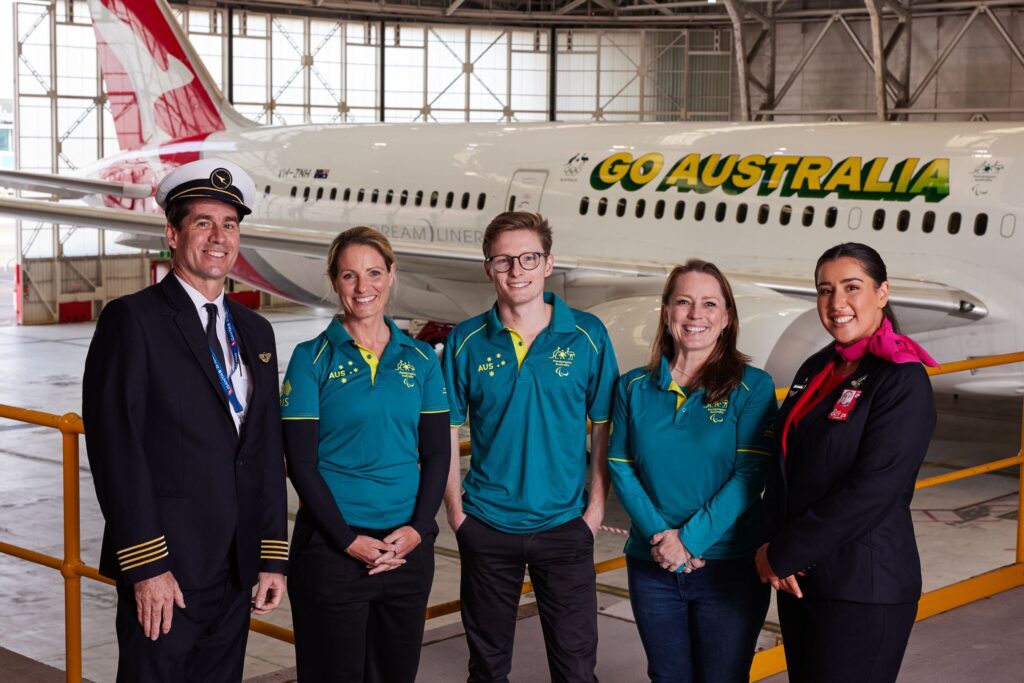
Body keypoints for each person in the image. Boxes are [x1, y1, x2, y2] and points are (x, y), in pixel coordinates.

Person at [82, 158, 289, 682]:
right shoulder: (134, 320)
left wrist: (270, 556)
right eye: (203, 223)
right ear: (172, 234)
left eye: (230, 225)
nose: (219, 237)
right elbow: (116, 451)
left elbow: (263, 451)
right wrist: (147, 565)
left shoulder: (255, 332)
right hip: (168, 567)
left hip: (236, 566)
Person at [442, 212, 619, 682]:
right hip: (486, 525)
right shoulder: (465, 341)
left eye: (528, 258)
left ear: (548, 263)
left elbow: (603, 425)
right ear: (488, 268)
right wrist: (457, 515)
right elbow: (446, 430)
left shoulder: (588, 336)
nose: (516, 270)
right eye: (503, 260)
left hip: (564, 526)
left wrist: (595, 510)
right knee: (487, 669)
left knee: (576, 668)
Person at [757, 242, 938, 683]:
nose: (837, 303)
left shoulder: (902, 378)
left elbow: (874, 488)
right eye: (825, 290)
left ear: (882, 293)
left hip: (863, 588)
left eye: (852, 287)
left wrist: (783, 553)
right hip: (802, 583)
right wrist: (767, 545)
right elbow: (784, 467)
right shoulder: (818, 366)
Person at [280, 227, 450, 682]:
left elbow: (436, 454)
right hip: (334, 552)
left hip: (406, 552)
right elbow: (301, 463)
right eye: (350, 275)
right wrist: (346, 540)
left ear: (391, 275)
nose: (363, 287)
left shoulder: (421, 359)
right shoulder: (310, 358)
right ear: (335, 281)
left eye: (374, 273)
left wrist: (417, 530)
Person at [608, 260, 776, 683]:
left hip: (729, 567)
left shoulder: (752, 387)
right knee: (667, 677)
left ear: (726, 317)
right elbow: (621, 467)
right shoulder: (632, 386)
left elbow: (749, 475)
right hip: (653, 565)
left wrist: (690, 541)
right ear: (666, 313)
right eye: (683, 302)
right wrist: (662, 541)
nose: (695, 314)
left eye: (709, 304)